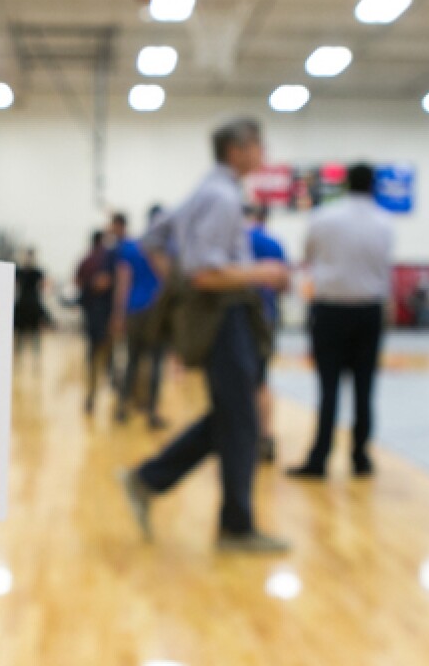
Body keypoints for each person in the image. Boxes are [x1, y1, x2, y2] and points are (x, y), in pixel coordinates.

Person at [121, 117, 292, 553]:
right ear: (236, 150)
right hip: (224, 315)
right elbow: (203, 274)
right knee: (241, 420)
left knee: (235, 418)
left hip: (220, 316)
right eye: (258, 146)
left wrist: (171, 281)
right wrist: (264, 273)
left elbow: (152, 240)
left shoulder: (206, 190)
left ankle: (149, 480)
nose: (263, 153)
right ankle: (234, 526)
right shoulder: (221, 197)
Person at [289, 163, 394, 480]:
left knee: (328, 389)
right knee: (365, 389)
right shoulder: (384, 223)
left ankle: (319, 458)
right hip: (369, 312)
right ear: (373, 185)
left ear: (346, 184)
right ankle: (360, 457)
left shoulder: (324, 218)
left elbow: (307, 256)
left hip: (331, 311)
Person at [111, 210, 167, 428]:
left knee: (131, 361)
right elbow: (168, 280)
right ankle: (152, 412)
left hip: (134, 311)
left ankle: (122, 408)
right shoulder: (163, 249)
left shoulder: (130, 248)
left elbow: (123, 283)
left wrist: (118, 314)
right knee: (155, 363)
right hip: (156, 312)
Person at [248, 204, 287, 464]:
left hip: (239, 319)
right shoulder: (274, 244)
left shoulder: (238, 241)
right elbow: (284, 284)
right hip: (266, 318)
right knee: (262, 380)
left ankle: (244, 436)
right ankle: (265, 435)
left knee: (239, 382)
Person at [75, 230, 115, 414]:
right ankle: (108, 395)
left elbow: (77, 281)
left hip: (94, 315)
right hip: (103, 315)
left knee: (96, 357)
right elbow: (104, 282)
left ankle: (93, 396)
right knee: (106, 357)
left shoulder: (86, 260)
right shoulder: (105, 259)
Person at [14, 248, 48, 354]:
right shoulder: (20, 271)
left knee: (34, 336)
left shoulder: (36, 272)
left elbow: (43, 286)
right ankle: (19, 356)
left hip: (32, 306)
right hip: (24, 305)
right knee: (21, 335)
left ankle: (34, 358)